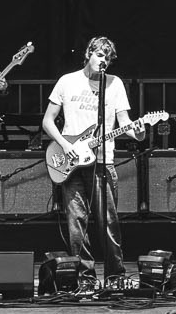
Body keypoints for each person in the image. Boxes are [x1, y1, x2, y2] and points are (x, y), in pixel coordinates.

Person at [42, 39, 138, 284]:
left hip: (103, 162)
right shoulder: (67, 81)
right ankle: (86, 278)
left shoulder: (114, 84)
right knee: (77, 224)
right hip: (72, 162)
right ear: (88, 54)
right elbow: (48, 121)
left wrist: (139, 130)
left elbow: (124, 121)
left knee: (108, 223)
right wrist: (65, 145)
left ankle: (115, 276)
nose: (103, 60)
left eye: (108, 57)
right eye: (99, 54)